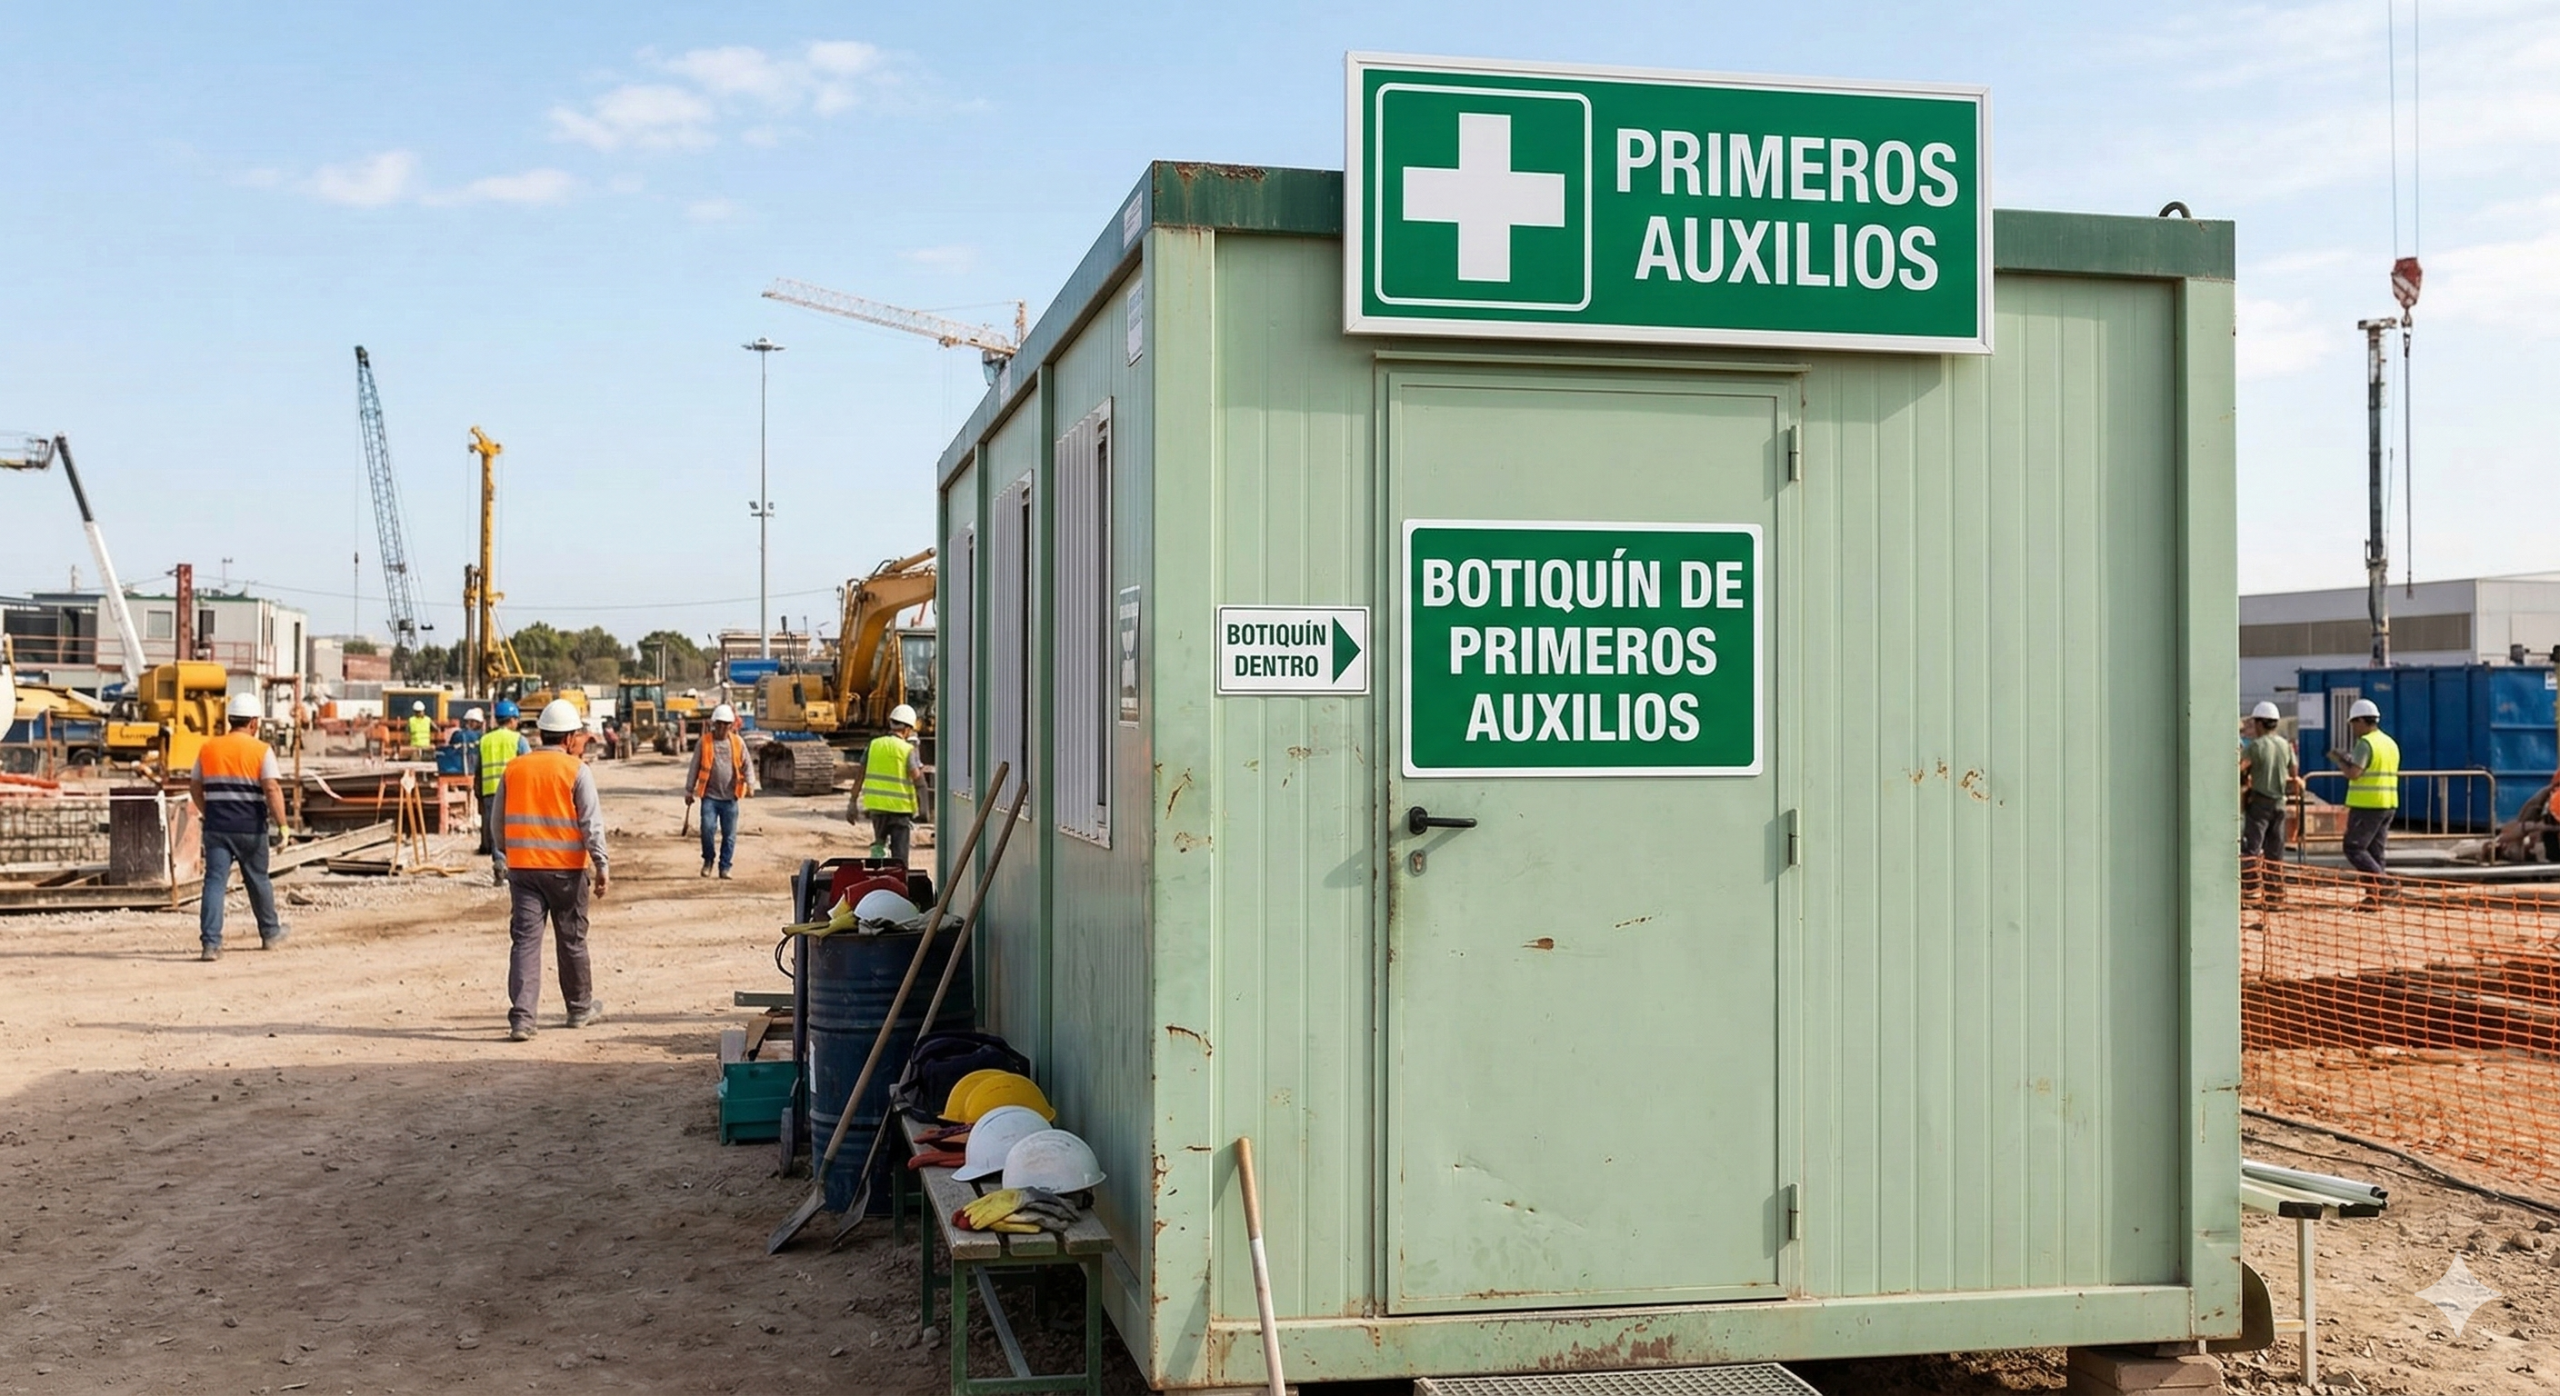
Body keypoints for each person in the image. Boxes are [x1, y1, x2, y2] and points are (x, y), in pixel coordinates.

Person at [495, 699, 609, 1041]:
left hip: (524, 871)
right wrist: (601, 863)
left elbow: (497, 823)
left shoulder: (515, 768)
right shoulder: (576, 770)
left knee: (525, 943)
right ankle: (578, 1009)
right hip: (566, 871)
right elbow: (591, 823)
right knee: (572, 940)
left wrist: (509, 853)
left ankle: (522, 1020)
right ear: (571, 737)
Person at [191, 693, 290, 961]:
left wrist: (209, 812)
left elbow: (195, 787)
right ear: (254, 722)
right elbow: (271, 787)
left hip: (217, 828)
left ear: (230, 719)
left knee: (214, 883)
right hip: (251, 828)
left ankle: (211, 944)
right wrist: (283, 826)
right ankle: (270, 933)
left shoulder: (208, 748)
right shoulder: (261, 750)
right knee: (258, 880)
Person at [2334, 697, 2400, 903]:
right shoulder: (2389, 742)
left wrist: (2341, 761)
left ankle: (2384, 883)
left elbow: (2355, 773)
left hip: (2368, 805)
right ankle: (2375, 898)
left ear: (2362, 720)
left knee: (2354, 847)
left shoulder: (2365, 743)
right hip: (2388, 804)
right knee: (2375, 851)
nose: (2352, 727)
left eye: (2353, 722)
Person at [848, 703, 926, 868]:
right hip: (900, 811)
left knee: (879, 848)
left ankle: (876, 879)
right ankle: (898, 887)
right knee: (899, 857)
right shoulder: (906, 749)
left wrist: (852, 802)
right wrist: (924, 808)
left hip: (877, 810)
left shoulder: (874, 745)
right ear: (907, 729)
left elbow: (859, 775)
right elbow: (917, 779)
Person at [686, 702, 755, 879]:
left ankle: (725, 867)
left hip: (731, 797)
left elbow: (747, 765)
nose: (723, 727)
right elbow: (694, 767)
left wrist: (751, 784)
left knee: (729, 835)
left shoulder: (738, 743)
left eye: (726, 724)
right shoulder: (705, 742)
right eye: (720, 723)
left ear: (731, 725)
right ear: (714, 723)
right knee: (707, 829)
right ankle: (708, 860)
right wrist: (689, 790)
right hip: (710, 796)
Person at [2238, 701, 2299, 904]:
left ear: (2260, 723)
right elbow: (2293, 772)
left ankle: (2251, 890)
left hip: (2260, 804)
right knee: (2275, 852)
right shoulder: (2285, 745)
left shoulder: (2255, 746)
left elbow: (2240, 768)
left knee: (2251, 849)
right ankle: (2275, 895)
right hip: (2280, 804)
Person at [478, 700, 526, 883]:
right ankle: (515, 866)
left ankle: (499, 863)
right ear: (512, 719)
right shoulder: (518, 740)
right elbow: (528, 765)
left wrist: (478, 792)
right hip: (514, 790)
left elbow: (478, 769)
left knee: (495, 828)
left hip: (490, 790)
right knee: (515, 827)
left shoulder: (484, 740)